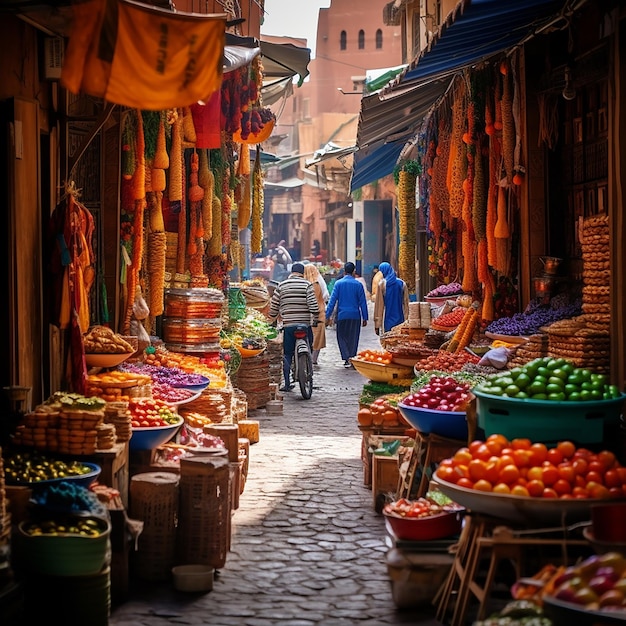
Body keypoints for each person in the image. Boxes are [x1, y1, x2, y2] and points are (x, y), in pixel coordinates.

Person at [268, 262, 320, 392]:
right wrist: (316, 317)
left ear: (291, 272)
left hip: (289, 325)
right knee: (310, 345)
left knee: (287, 354)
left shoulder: (282, 285)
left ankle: (286, 383)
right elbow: (313, 305)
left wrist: (273, 318)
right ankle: (307, 362)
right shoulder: (307, 285)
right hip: (304, 325)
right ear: (302, 273)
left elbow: (274, 306)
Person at [325, 261, 368, 368]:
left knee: (341, 336)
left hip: (342, 316)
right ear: (354, 272)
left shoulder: (338, 284)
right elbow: (363, 302)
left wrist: (327, 315)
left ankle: (346, 357)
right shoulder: (358, 285)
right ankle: (352, 357)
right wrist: (365, 317)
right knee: (353, 337)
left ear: (344, 271)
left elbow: (332, 301)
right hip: (355, 316)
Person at [373, 262, 409, 335]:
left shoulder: (382, 284)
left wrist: (377, 324)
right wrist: (408, 320)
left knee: (389, 341)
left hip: (387, 319)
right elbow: (406, 303)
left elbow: (379, 305)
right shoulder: (402, 283)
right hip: (400, 318)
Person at [303, 264, 326, 365]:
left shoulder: (304, 284)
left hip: (306, 315)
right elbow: (325, 295)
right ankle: (314, 358)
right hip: (319, 314)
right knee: (318, 338)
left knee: (308, 336)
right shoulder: (319, 282)